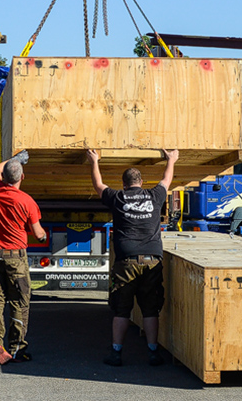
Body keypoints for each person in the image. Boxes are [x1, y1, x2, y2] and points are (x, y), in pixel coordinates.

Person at [86, 147, 179, 367]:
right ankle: (153, 352)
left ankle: (117, 353)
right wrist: (172, 159)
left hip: (126, 261)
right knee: (150, 308)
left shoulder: (118, 197)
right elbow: (167, 179)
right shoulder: (154, 196)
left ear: (124, 184)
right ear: (141, 181)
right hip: (152, 261)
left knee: (121, 309)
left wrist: (94, 161)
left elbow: (98, 186)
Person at [0, 150, 46, 365]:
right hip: (15, 259)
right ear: (22, 178)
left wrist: (16, 158)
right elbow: (38, 234)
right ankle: (17, 349)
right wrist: (41, 233)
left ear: (4, 178)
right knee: (19, 302)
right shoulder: (27, 202)